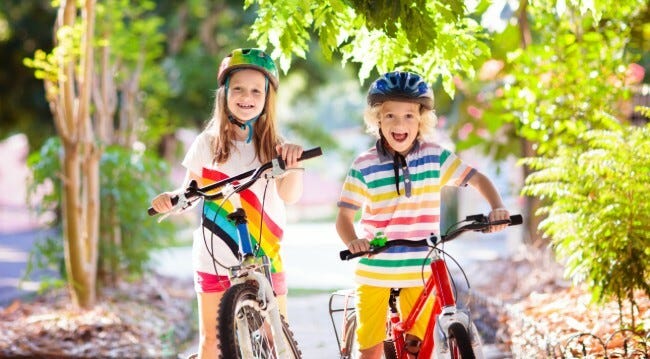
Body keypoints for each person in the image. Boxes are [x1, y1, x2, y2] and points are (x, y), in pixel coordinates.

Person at [335, 71, 511, 359]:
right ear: (377, 119)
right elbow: (344, 217)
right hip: (376, 269)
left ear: (421, 120)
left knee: (418, 348)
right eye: (390, 115)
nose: (399, 123)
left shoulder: (434, 156)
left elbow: (478, 179)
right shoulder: (364, 164)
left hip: (421, 267)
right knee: (371, 350)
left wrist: (496, 207)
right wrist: (354, 241)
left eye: (408, 116)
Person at [150, 48, 304, 359]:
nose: (247, 97)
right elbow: (189, 192)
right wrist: (170, 200)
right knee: (211, 343)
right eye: (238, 89)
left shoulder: (275, 145)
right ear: (225, 95)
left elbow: (290, 196)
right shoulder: (207, 144)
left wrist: (294, 163)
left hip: (265, 254)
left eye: (255, 91)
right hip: (214, 255)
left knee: (277, 339)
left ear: (266, 98)